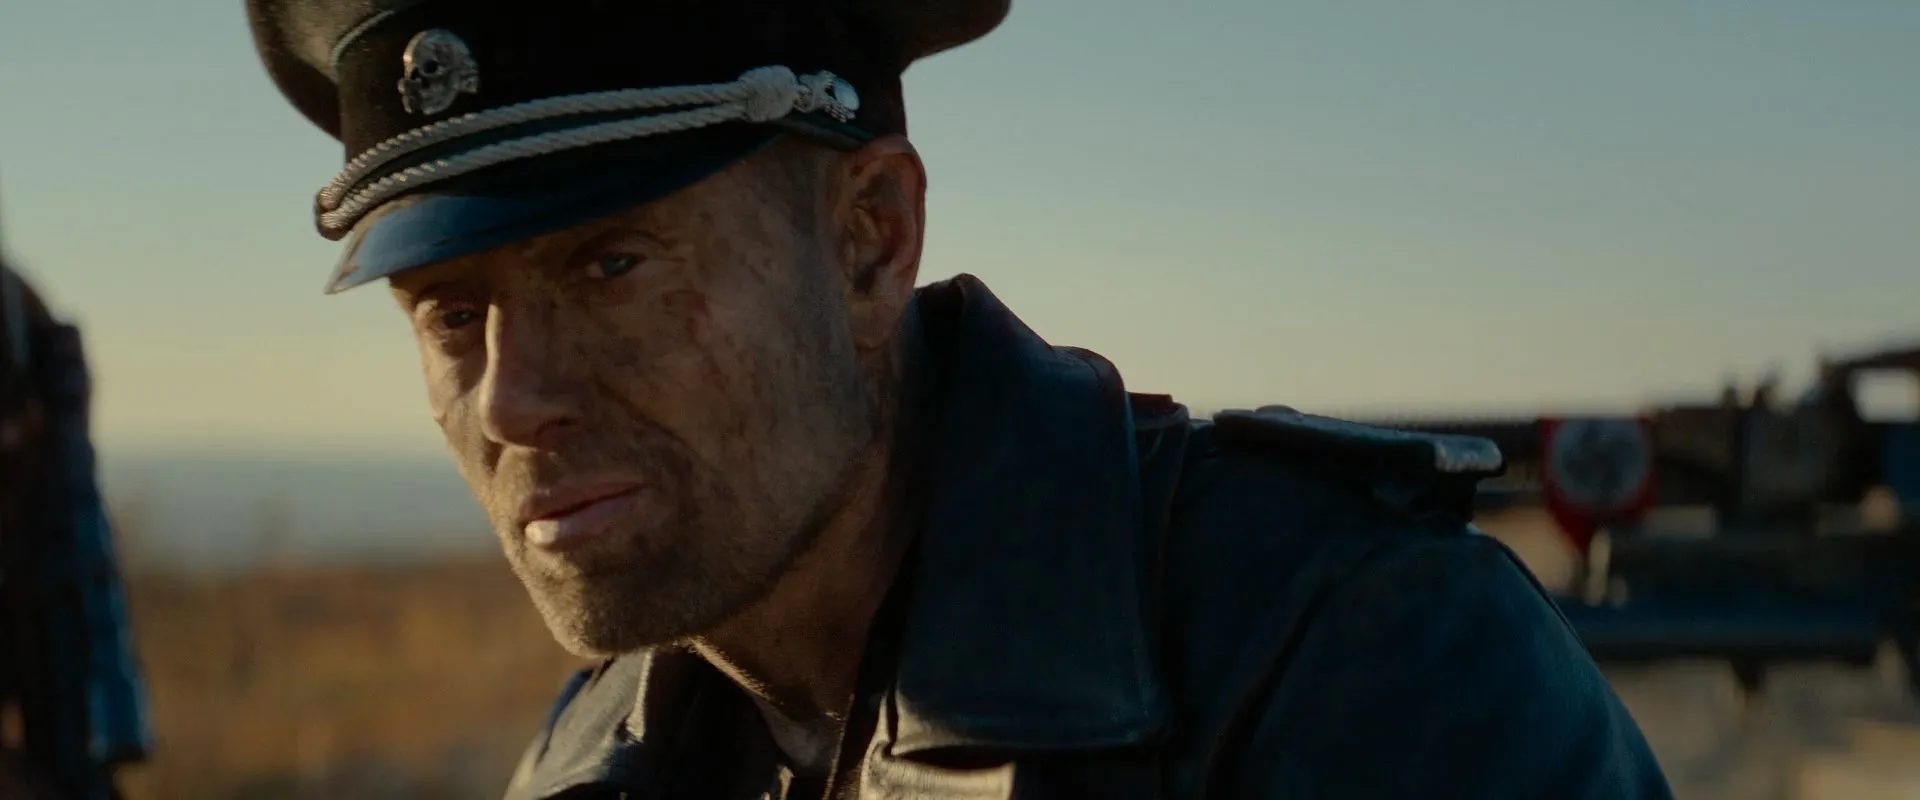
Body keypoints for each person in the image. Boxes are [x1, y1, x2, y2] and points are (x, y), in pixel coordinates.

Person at [245, 1, 1673, 797]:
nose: (513, 401)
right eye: (451, 314)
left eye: (613, 265)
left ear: (870, 241)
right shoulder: (583, 765)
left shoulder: (1356, 665)